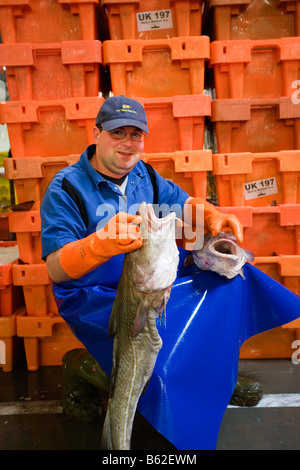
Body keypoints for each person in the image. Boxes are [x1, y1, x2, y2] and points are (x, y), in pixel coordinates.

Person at [40, 95, 244, 423]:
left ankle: (211, 376)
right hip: (94, 296)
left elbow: (180, 203)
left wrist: (210, 214)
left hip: (148, 282)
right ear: (96, 134)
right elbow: (55, 269)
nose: (128, 143)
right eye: (117, 132)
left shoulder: (144, 175)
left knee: (228, 282)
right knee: (143, 375)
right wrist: (97, 246)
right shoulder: (66, 188)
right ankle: (82, 366)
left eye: (136, 134)